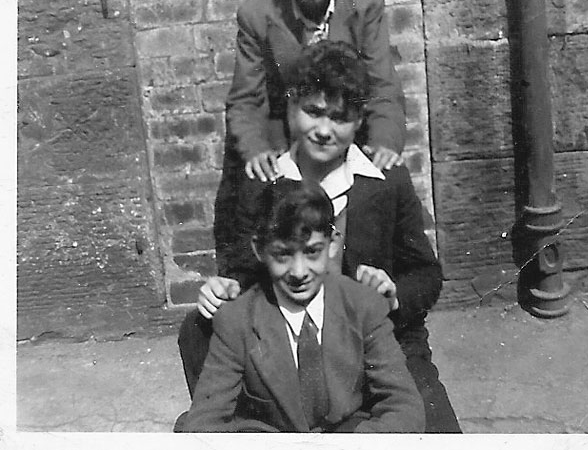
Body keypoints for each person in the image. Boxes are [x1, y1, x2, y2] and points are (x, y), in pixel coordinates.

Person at [179, 40, 461, 433]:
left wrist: (394, 293)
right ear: (291, 107)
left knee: (436, 432)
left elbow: (426, 275)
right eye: (313, 112)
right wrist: (224, 288)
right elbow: (243, 273)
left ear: (359, 119)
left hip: (379, 346)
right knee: (200, 335)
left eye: (340, 117)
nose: (325, 130)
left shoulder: (386, 180)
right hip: (297, 344)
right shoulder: (263, 180)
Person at [213, 0, 406, 250]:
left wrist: (385, 140)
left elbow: (381, 84)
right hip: (283, 132)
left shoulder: (365, 5)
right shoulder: (258, 16)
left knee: (376, 202)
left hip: (343, 126)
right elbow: (246, 97)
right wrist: (255, 149)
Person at [179, 180, 425, 433]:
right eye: (283, 255)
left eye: (311, 252)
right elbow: (204, 423)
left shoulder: (362, 305)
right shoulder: (237, 319)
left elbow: (404, 405)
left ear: (331, 244)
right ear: (259, 250)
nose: (298, 272)